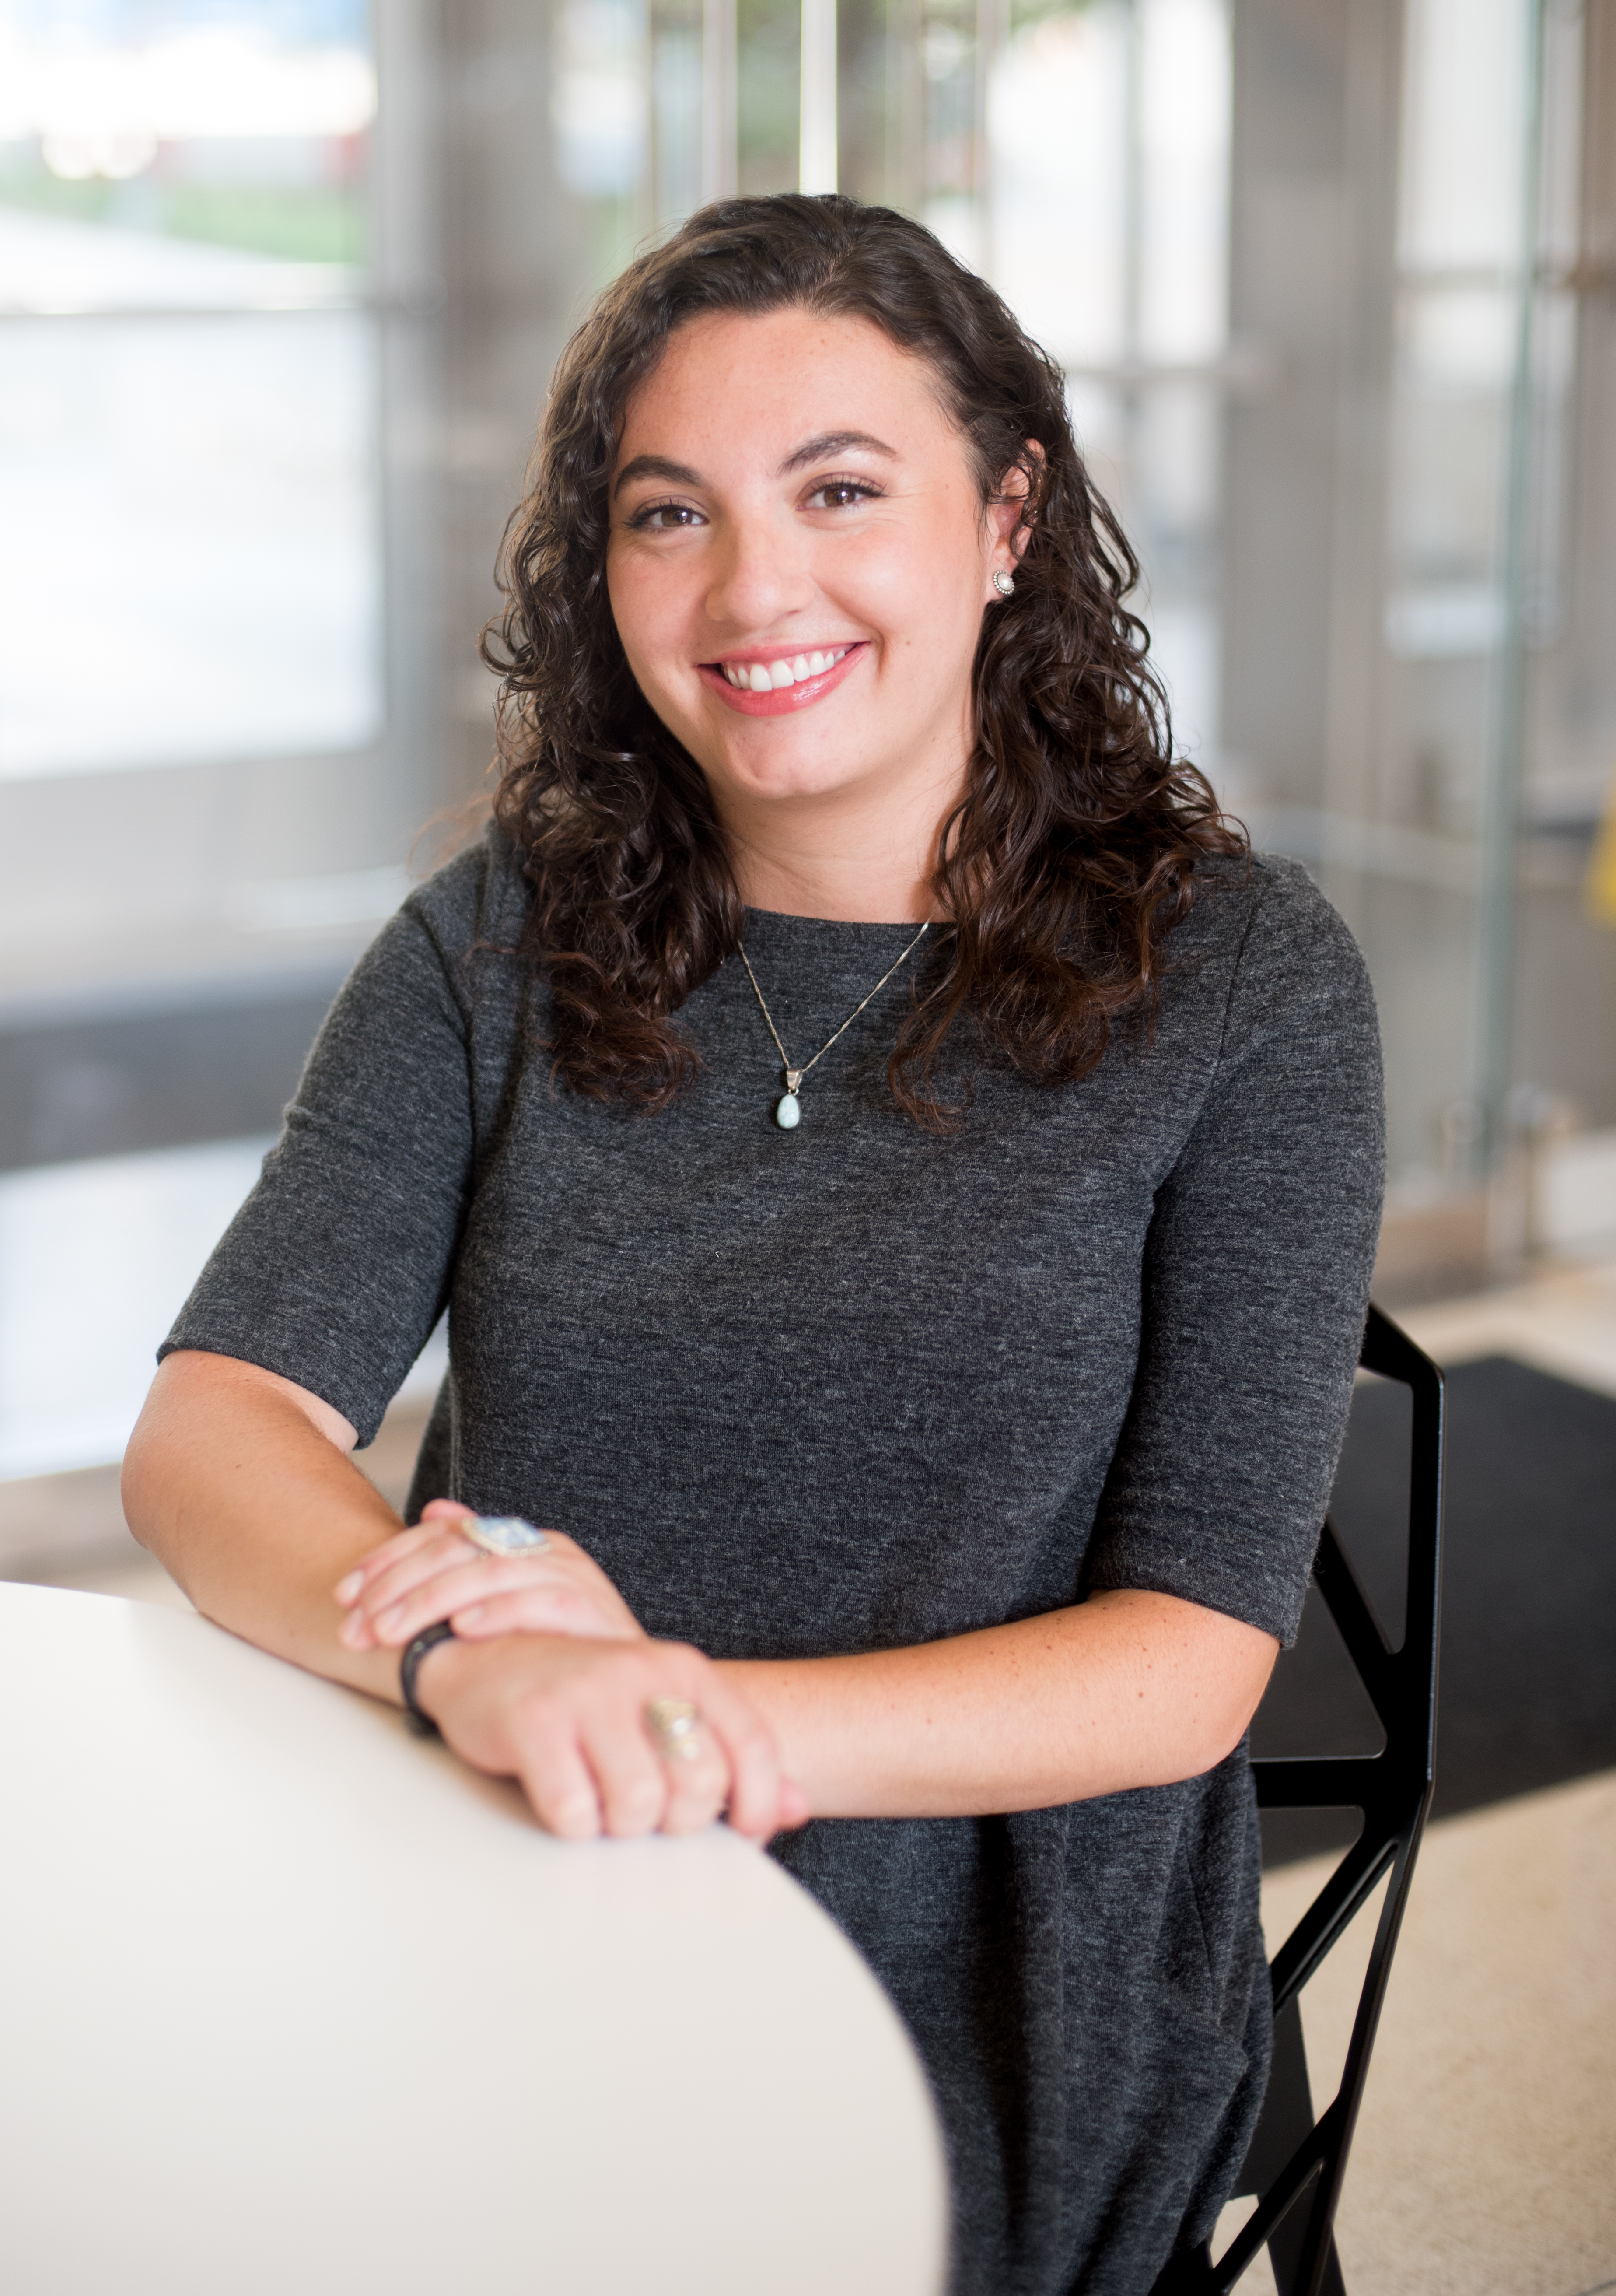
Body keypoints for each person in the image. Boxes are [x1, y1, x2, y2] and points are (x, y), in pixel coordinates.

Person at [123, 194, 1384, 2296]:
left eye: (837, 490)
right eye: (666, 511)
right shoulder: (501, 933)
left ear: (1004, 519)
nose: (747, 585)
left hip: (972, 1975)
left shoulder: (1241, 984)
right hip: (510, 1854)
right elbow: (216, 1417)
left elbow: (1189, 1656)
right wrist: (472, 1655)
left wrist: (683, 1724)